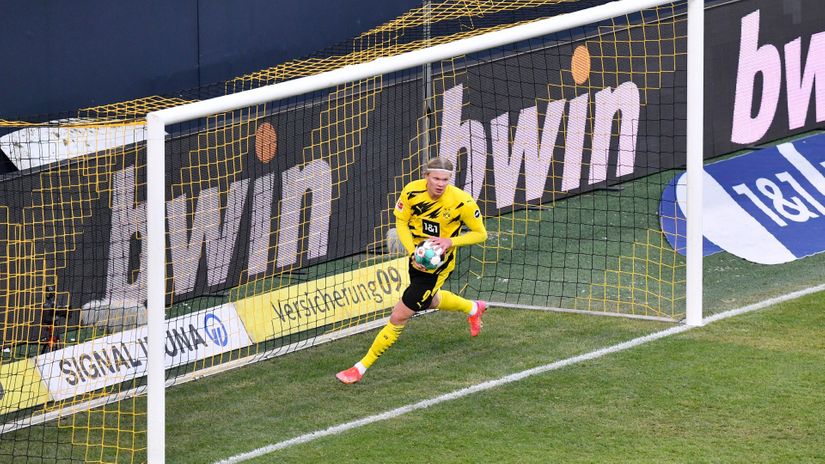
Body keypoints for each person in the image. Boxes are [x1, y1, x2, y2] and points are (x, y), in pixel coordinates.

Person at [336, 157, 488, 384]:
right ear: (426, 176)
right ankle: (473, 308)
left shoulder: (462, 202)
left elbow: (481, 234)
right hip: (417, 258)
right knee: (429, 300)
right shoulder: (411, 192)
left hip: (438, 267)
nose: (440, 184)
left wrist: (450, 242)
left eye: (445, 179)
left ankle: (359, 368)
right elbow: (401, 223)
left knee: (399, 316)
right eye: (436, 178)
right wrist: (412, 252)